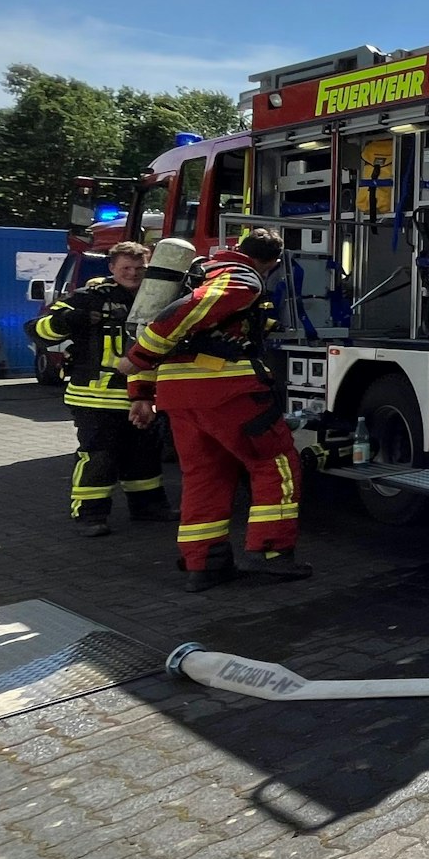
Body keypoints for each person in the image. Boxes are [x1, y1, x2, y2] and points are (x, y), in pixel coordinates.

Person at [116, 229, 312, 592]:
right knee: (275, 465)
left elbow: (159, 324)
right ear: (269, 262)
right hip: (227, 391)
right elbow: (191, 311)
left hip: (179, 395)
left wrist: (140, 392)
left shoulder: (200, 271)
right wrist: (137, 359)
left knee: (205, 476)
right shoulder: (241, 278)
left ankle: (204, 564)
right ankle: (270, 553)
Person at [29, 241, 173, 537]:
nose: (132, 274)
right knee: (99, 455)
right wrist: (68, 319)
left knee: (144, 453)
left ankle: (148, 507)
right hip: (94, 395)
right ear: (111, 268)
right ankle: (90, 514)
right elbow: (37, 330)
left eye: (139, 268)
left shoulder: (158, 299)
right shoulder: (88, 298)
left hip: (143, 395)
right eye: (126, 268)